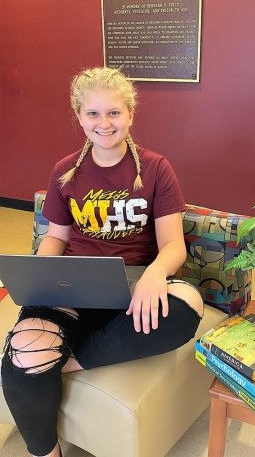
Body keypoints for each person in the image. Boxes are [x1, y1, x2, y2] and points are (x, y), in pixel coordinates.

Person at [0, 67, 203, 457]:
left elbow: (173, 244)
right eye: (93, 114)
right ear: (79, 117)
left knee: (188, 306)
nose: (104, 123)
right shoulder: (64, 172)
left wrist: (156, 274)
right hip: (75, 285)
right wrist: (43, 275)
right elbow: (56, 237)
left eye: (114, 113)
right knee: (23, 352)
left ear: (130, 114)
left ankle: (69, 359)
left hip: (133, 287)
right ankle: (45, 451)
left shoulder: (157, 168)